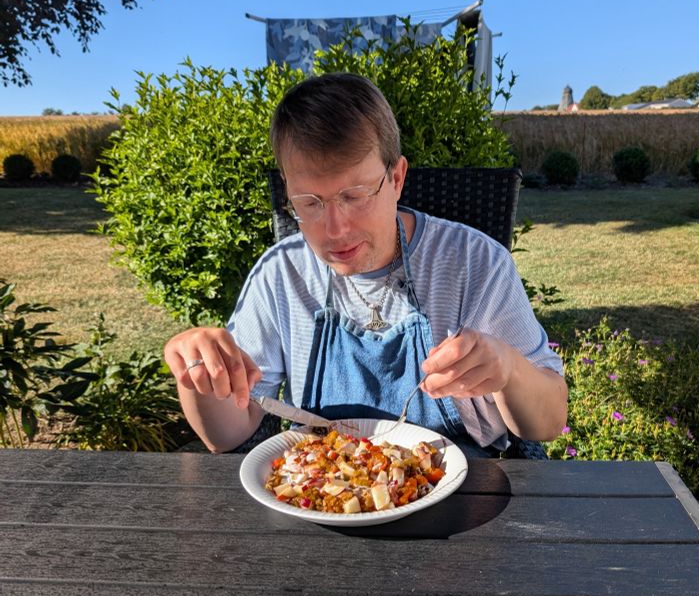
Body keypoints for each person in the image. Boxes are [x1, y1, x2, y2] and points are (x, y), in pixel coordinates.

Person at [164, 73, 567, 456]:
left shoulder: (474, 263)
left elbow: (548, 422)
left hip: (463, 492)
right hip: (321, 490)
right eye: (309, 204)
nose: (334, 229)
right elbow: (226, 435)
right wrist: (197, 375)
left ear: (396, 178)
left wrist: (509, 369)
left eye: (354, 195)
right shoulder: (282, 275)